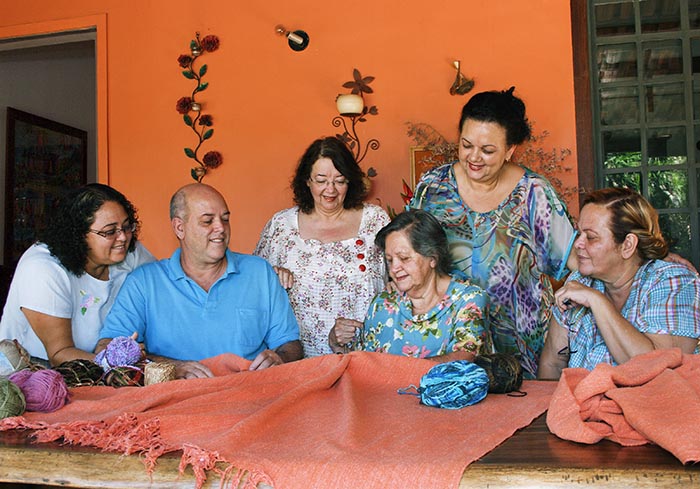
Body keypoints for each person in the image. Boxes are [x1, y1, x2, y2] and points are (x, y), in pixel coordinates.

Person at [409, 87, 576, 377]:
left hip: (521, 340)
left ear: (510, 150)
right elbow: (408, 252)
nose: (474, 157)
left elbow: (575, 260)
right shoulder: (433, 187)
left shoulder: (534, 193)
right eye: (466, 145)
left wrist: (646, 262)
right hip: (449, 336)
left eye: (487, 150)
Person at [97, 183, 302, 379]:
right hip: (175, 405)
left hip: (248, 398)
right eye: (207, 221)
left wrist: (279, 358)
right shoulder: (143, 282)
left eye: (225, 219)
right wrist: (171, 368)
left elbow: (290, 344)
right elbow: (107, 349)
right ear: (179, 228)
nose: (220, 228)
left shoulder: (260, 272)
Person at [538, 188, 700, 379]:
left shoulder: (674, 282)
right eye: (578, 233)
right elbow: (553, 363)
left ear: (628, 245)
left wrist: (597, 301)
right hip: (581, 406)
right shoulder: (579, 281)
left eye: (591, 237)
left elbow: (657, 368)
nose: (578, 244)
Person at [255, 136, 389, 357]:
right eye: (321, 180)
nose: (331, 190)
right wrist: (272, 273)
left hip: (368, 354)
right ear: (307, 180)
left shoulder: (375, 220)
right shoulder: (281, 226)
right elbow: (255, 285)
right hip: (299, 358)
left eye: (340, 180)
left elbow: (399, 277)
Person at [0, 183, 155, 366]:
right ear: (79, 234)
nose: (123, 237)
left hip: (101, 369)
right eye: (110, 231)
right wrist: (114, 363)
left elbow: (162, 285)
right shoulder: (43, 269)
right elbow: (59, 354)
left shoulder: (130, 254)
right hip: (36, 372)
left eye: (127, 227)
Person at [329, 209, 490, 362]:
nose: (394, 268)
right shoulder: (383, 304)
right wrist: (337, 344)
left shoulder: (468, 300)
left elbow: (465, 359)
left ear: (433, 257)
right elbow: (362, 364)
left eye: (404, 258)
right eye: (390, 260)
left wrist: (395, 372)